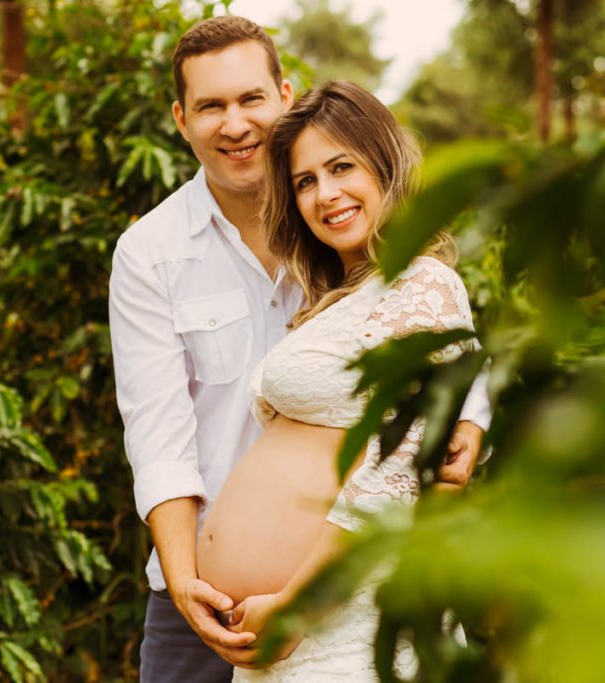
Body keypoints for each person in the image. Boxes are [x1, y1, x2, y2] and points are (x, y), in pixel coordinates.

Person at [108, 17, 490, 683]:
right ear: (181, 118)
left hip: (338, 595)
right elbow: (156, 432)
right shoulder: (152, 251)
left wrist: (471, 414)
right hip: (196, 596)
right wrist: (184, 579)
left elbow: (435, 358)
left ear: (285, 95)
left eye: (251, 98)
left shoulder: (341, 244)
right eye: (211, 106)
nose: (235, 123)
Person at [193, 80, 485, 681]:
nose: (326, 194)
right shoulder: (337, 299)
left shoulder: (421, 282)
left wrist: (300, 606)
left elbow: (400, 463)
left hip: (345, 623)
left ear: (384, 165)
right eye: (305, 181)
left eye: (341, 167)